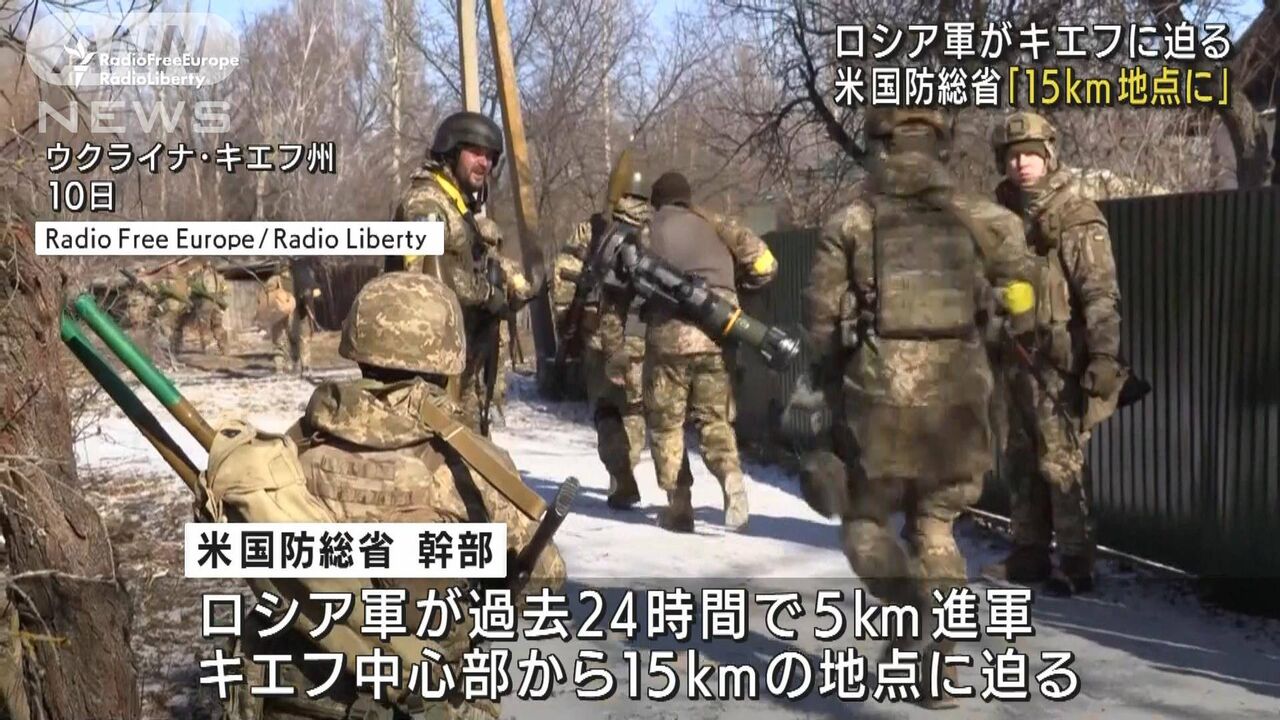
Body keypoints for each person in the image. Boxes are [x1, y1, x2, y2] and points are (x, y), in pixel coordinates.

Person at [225, 272, 566, 720]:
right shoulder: (470, 463)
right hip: (417, 700)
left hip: (294, 696)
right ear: (445, 356)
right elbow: (544, 581)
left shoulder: (292, 447)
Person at [799, 107, 1040, 707]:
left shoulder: (851, 223)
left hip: (877, 411)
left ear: (879, 150)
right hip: (960, 409)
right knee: (936, 528)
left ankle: (909, 609)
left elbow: (820, 325)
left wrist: (824, 386)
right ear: (941, 150)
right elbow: (1027, 303)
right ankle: (940, 667)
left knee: (863, 525)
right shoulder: (989, 222)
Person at [983, 111, 1125, 596]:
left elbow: (1100, 294)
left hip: (1057, 362)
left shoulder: (1075, 215)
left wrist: (1103, 356)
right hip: (1012, 357)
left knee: (1061, 461)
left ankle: (1076, 561)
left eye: (1030, 154)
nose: (1021, 164)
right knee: (1020, 458)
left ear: (1048, 156)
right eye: (1012, 156)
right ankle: (1029, 552)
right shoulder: (997, 219)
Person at [604, 171, 776, 532]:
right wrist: (737, 288)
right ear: (688, 198)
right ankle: (732, 481)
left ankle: (679, 506)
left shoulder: (647, 231)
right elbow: (766, 265)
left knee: (666, 425)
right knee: (714, 419)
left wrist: (614, 348)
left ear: (657, 201)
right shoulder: (718, 224)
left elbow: (617, 292)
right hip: (719, 333)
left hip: (669, 340)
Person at [390, 111, 540, 436]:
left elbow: (470, 260)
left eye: (490, 156)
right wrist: (486, 294)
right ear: (451, 151)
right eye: (475, 152)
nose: (484, 163)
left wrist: (510, 282)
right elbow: (425, 276)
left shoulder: (457, 206)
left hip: (462, 365)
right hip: (431, 368)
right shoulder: (425, 202)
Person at [554, 169, 693, 509]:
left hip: (604, 337)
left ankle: (622, 479)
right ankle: (679, 495)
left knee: (607, 410)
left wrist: (566, 324)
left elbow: (563, 278)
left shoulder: (594, 229)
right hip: (655, 337)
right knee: (661, 415)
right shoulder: (662, 230)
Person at [181, 259, 229, 354]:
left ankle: (209, 349)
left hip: (205, 304)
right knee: (217, 326)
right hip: (217, 303)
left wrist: (191, 275)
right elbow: (226, 291)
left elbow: (192, 287)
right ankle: (224, 348)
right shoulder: (219, 277)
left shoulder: (200, 276)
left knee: (204, 326)